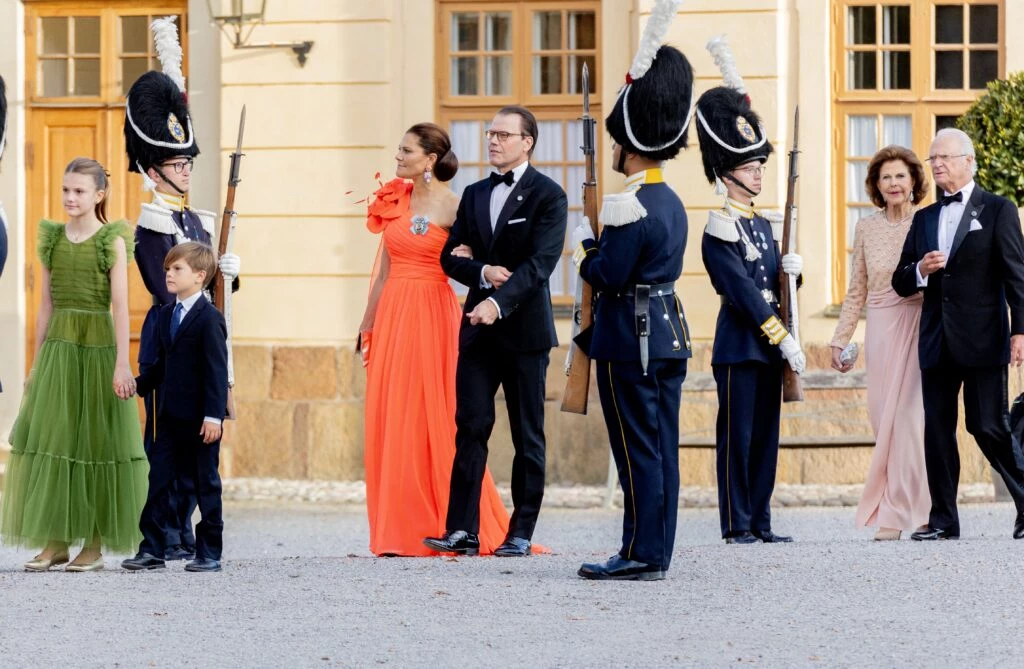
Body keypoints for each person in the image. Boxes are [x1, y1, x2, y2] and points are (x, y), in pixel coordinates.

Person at [572, 18, 695, 581]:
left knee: (635, 450)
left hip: (630, 337)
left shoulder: (627, 204)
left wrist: (586, 246)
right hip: (667, 332)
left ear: (628, 146)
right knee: (661, 448)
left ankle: (641, 553)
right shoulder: (671, 200)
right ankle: (654, 549)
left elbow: (609, 273)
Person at [359, 123, 513, 556]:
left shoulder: (456, 206)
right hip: (394, 311)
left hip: (432, 312)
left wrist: (472, 260)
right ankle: (399, 527)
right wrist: (368, 323)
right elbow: (384, 270)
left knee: (437, 411)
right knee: (394, 412)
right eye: (399, 149)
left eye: (406, 150)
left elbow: (478, 264)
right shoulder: (396, 198)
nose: (398, 156)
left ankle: (453, 519)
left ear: (430, 159)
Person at [423, 106, 567, 558]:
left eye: (504, 135)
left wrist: (497, 303)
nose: (493, 141)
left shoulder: (550, 195)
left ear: (527, 142)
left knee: (527, 434)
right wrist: (483, 271)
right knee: (470, 426)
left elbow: (540, 265)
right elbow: (450, 258)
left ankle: (520, 532)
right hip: (477, 333)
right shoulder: (474, 194)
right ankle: (462, 530)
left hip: (525, 333)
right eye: (490, 133)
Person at [124, 16, 240, 562]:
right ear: (154, 172)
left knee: (197, 449)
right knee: (165, 446)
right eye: (176, 163)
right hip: (168, 343)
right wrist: (212, 275)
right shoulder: (153, 222)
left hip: (203, 338)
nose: (186, 171)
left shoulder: (196, 219)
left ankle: (188, 534)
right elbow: (163, 284)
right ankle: (166, 534)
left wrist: (229, 273)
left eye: (188, 162)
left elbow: (209, 286)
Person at [0, 157, 149, 571]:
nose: (70, 197)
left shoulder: (111, 241)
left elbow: (120, 307)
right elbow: (45, 306)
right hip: (59, 351)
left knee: (96, 442)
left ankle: (94, 544)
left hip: (98, 348)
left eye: (79, 191)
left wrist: (122, 364)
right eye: (66, 189)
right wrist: (37, 362)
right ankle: (56, 541)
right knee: (57, 441)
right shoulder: (52, 238)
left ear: (99, 195)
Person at [892, 127, 1024, 541]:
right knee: (937, 430)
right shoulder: (924, 218)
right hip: (936, 339)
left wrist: (1020, 331)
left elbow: (1017, 277)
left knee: (988, 426)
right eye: (932, 159)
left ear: (969, 161)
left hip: (984, 337)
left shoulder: (999, 209)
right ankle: (944, 520)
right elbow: (899, 280)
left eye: (944, 157)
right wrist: (920, 270)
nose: (937, 165)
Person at [696, 69, 805, 545]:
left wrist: (796, 273)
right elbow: (741, 291)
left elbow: (777, 284)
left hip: (768, 347)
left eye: (760, 165)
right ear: (726, 174)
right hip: (741, 343)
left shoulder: (763, 225)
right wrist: (784, 338)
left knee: (764, 437)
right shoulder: (720, 226)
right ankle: (737, 523)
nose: (759, 173)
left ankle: (761, 520)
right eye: (749, 167)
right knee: (737, 439)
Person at [831, 145, 931, 540]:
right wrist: (840, 339)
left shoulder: (926, 221)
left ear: (913, 181)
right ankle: (915, 508)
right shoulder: (865, 228)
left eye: (900, 176)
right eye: (885, 177)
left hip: (917, 324)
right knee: (882, 420)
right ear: (876, 184)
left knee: (907, 420)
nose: (893, 183)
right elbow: (856, 288)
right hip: (879, 330)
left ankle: (900, 513)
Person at [122, 242, 229, 572]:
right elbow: (162, 366)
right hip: (169, 416)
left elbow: (216, 371)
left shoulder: (210, 318)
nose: (169, 273)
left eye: (177, 269)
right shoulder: (167, 314)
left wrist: (214, 416)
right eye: (168, 268)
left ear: (199, 276)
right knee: (159, 482)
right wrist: (137, 385)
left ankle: (209, 552)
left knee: (205, 484)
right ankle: (152, 549)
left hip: (200, 420)